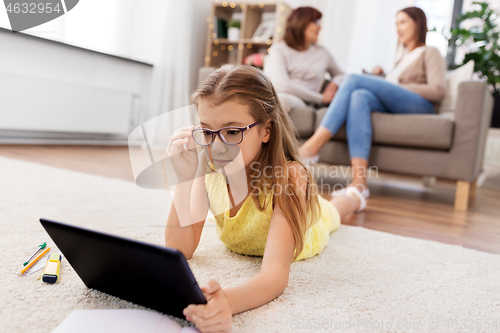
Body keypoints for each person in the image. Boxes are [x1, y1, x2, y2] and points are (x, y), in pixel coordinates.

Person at [165, 64, 366, 333]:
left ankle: (355, 194)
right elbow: (181, 248)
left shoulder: (291, 177)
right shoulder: (208, 168)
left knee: (333, 211)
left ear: (267, 130)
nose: (216, 146)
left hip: (308, 228)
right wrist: (183, 178)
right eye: (206, 131)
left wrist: (226, 301)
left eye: (232, 131)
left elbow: (273, 277)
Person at [298, 7, 445, 198]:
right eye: (396, 24)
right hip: (398, 102)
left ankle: (313, 147)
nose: (397, 28)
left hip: (421, 105)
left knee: (351, 79)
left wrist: (395, 86)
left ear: (418, 23)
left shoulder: (429, 52)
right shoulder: (401, 58)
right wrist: (381, 77)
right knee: (359, 96)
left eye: (403, 22)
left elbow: (438, 90)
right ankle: (359, 183)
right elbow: (392, 86)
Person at [265, 6, 344, 113]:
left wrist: (334, 84)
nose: (320, 27)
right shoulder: (278, 49)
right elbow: (282, 85)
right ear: (301, 23)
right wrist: (320, 98)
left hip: (302, 102)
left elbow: (341, 74)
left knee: (280, 101)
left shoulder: (323, 52)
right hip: (280, 95)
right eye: (316, 22)